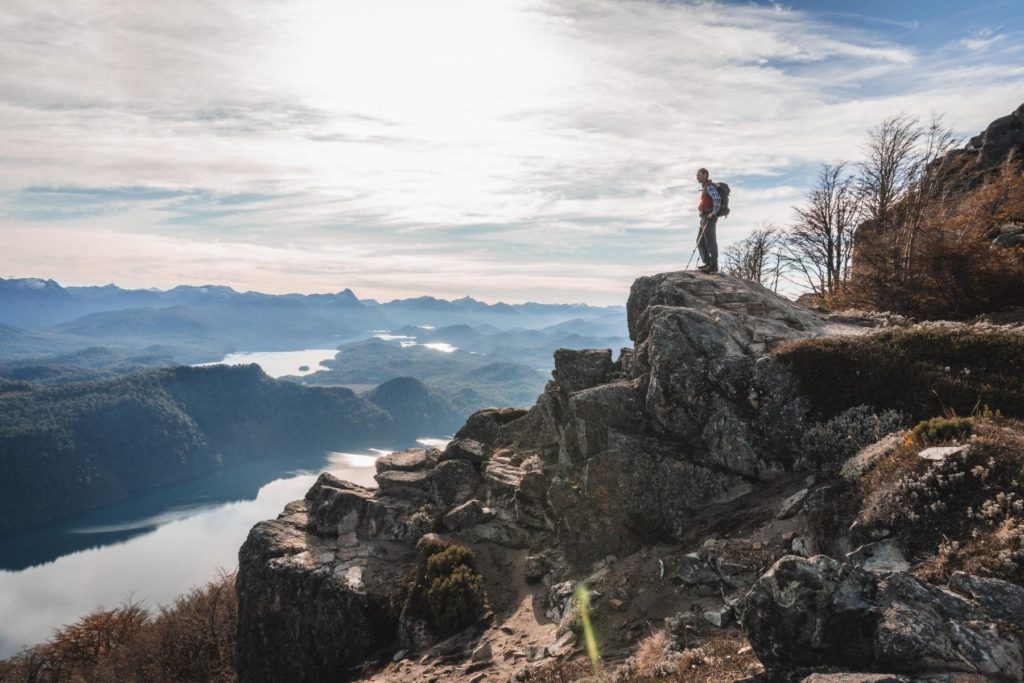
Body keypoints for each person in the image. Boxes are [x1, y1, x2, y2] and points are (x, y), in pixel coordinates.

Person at [695, 168, 720, 273]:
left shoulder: (709, 186)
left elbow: (717, 199)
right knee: (700, 241)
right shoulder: (705, 187)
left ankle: (713, 265)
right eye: (697, 175)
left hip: (709, 217)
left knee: (710, 240)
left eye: (699, 175)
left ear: (705, 175)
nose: (697, 177)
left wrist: (713, 213)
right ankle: (707, 262)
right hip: (704, 217)